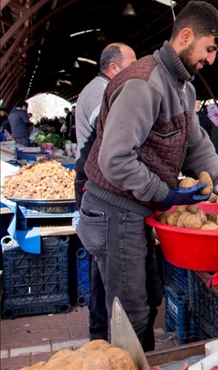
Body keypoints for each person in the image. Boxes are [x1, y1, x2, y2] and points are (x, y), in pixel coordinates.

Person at [77, 1, 218, 351]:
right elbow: (115, 158)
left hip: (135, 211)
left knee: (146, 299)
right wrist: (165, 194)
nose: (212, 59)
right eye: (209, 48)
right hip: (113, 211)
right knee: (129, 311)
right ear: (185, 36)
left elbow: (197, 146)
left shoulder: (183, 86)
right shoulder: (145, 84)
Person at [74, 42, 137, 341]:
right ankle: (102, 335)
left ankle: (101, 332)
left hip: (92, 179)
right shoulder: (102, 94)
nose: (138, 70)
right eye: (132, 63)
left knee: (103, 261)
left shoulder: (97, 89)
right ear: (114, 68)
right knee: (104, 265)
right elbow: (115, 140)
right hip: (96, 182)